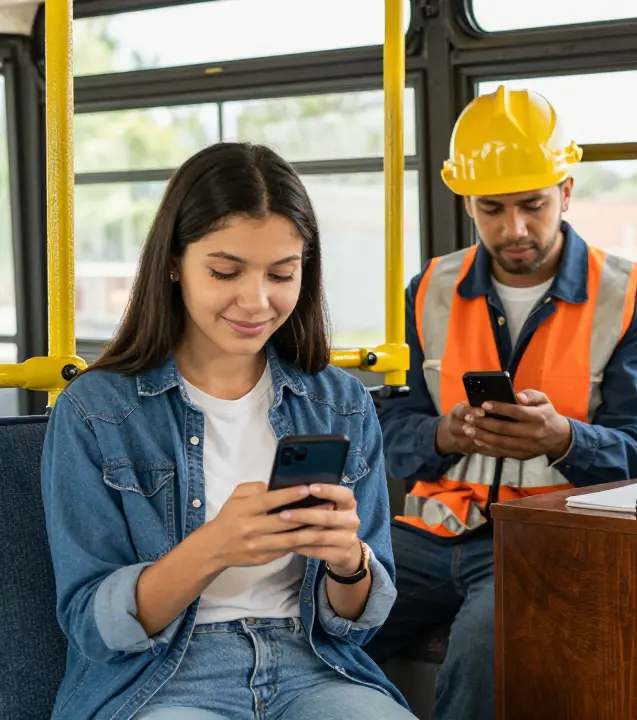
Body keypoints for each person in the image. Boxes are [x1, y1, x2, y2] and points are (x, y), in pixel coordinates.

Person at [40, 142, 415, 720]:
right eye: (225, 271)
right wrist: (213, 548)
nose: (256, 301)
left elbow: (354, 621)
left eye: (282, 274)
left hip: (310, 665)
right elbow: (92, 623)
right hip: (159, 678)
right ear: (173, 262)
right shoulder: (95, 410)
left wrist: (350, 560)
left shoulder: (339, 403)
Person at [368, 86, 637, 718]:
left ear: (566, 191)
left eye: (533, 205)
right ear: (468, 202)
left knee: (481, 654)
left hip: (549, 539)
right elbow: (389, 425)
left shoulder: (627, 299)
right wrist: (443, 437)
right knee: (318, 625)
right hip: (427, 535)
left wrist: (562, 439)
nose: (514, 229)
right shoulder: (428, 289)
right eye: (493, 209)